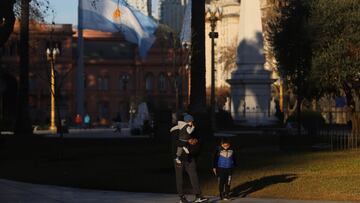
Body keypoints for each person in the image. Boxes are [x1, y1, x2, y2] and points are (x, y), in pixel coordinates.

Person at [170, 114, 208, 203]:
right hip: (178, 157)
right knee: (179, 177)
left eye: (191, 121)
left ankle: (198, 195)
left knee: (193, 175)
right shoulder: (175, 130)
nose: (191, 123)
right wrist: (187, 141)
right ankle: (181, 197)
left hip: (190, 156)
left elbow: (200, 139)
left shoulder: (193, 128)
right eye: (189, 121)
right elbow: (175, 143)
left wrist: (196, 141)